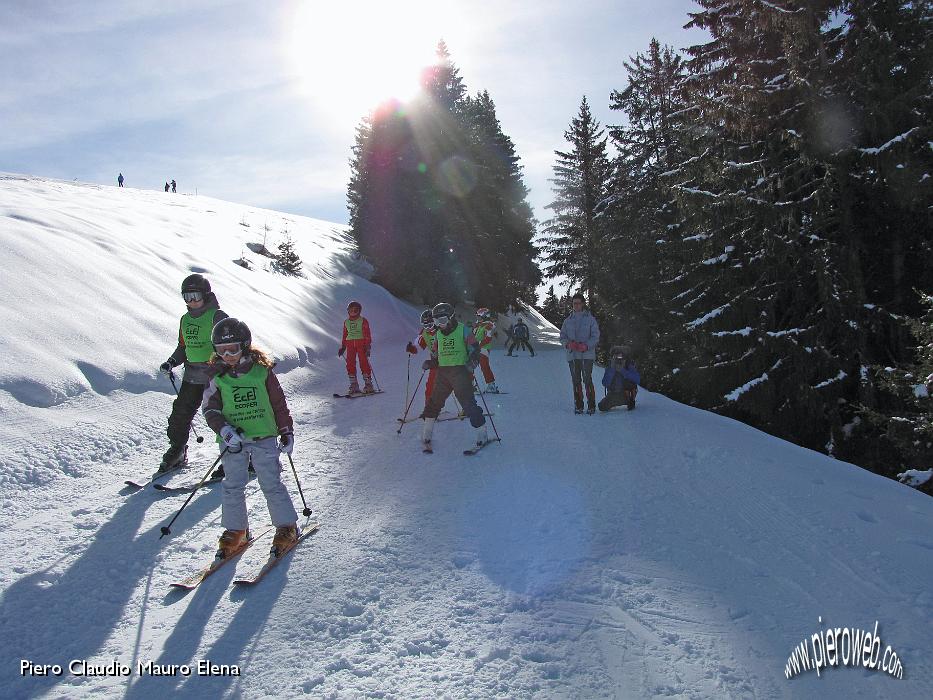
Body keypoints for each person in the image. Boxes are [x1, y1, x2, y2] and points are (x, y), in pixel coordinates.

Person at [202, 318, 299, 558]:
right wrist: (224, 430)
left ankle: (286, 526)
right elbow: (210, 409)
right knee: (232, 484)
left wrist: (286, 430)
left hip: (263, 435)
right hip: (232, 440)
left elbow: (278, 404)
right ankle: (237, 530)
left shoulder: (261, 372)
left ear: (244, 346)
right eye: (221, 350)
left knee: (270, 482)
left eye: (232, 349)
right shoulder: (217, 376)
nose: (228, 355)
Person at [158, 274, 228, 471]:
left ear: (205, 295)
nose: (191, 301)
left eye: (195, 296)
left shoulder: (217, 316)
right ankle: (178, 449)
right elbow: (183, 347)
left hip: (216, 376)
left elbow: (229, 345)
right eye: (186, 297)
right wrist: (171, 362)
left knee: (224, 414)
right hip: (192, 376)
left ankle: (235, 453)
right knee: (180, 413)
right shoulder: (185, 320)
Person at [421, 302, 487, 449]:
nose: (440, 325)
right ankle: (426, 433)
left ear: (451, 318)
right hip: (443, 373)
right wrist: (430, 363)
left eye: (443, 321)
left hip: (460, 372)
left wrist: (472, 362)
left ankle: (482, 433)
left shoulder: (463, 330)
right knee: (434, 403)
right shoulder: (438, 333)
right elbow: (437, 356)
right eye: (437, 322)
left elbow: (475, 349)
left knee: (468, 404)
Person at [559, 292, 600, 414]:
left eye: (578, 303)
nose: (575, 306)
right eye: (574, 303)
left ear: (582, 304)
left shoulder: (590, 319)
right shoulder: (568, 321)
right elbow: (562, 336)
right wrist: (567, 344)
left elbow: (595, 336)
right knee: (576, 380)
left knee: (587, 379)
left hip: (587, 355)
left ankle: (591, 405)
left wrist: (586, 345)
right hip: (573, 355)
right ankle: (578, 405)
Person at [338, 301, 374, 394]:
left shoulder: (363, 320)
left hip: (361, 343)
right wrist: (343, 347)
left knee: (364, 362)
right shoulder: (346, 322)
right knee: (350, 363)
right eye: (351, 310)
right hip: (350, 344)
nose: (353, 312)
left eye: (355, 310)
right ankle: (354, 385)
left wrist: (367, 346)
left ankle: (368, 384)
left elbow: (367, 334)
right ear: (348, 311)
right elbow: (345, 335)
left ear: (359, 311)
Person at [406, 309, 437, 409]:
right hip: (435, 362)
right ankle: (429, 408)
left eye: (430, 325)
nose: (427, 328)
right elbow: (419, 345)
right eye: (425, 325)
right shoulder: (424, 333)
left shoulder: (443, 330)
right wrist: (412, 349)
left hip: (450, 360)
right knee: (431, 384)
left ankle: (467, 407)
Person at [599, 346, 641, 411]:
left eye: (621, 357)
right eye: (616, 356)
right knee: (601, 407)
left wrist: (623, 371)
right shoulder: (611, 366)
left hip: (626, 394)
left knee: (628, 383)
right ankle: (621, 400)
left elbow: (637, 379)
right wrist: (612, 370)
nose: (619, 359)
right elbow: (605, 383)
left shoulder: (628, 365)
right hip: (614, 394)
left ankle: (631, 400)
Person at [473, 307, 499, 392]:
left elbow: (488, 338)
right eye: (477, 316)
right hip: (476, 349)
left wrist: (478, 345)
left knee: (484, 366)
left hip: (483, 349)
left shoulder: (488, 325)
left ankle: (491, 385)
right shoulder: (479, 325)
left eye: (479, 316)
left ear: (484, 316)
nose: (477, 318)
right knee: (470, 366)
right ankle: (472, 385)